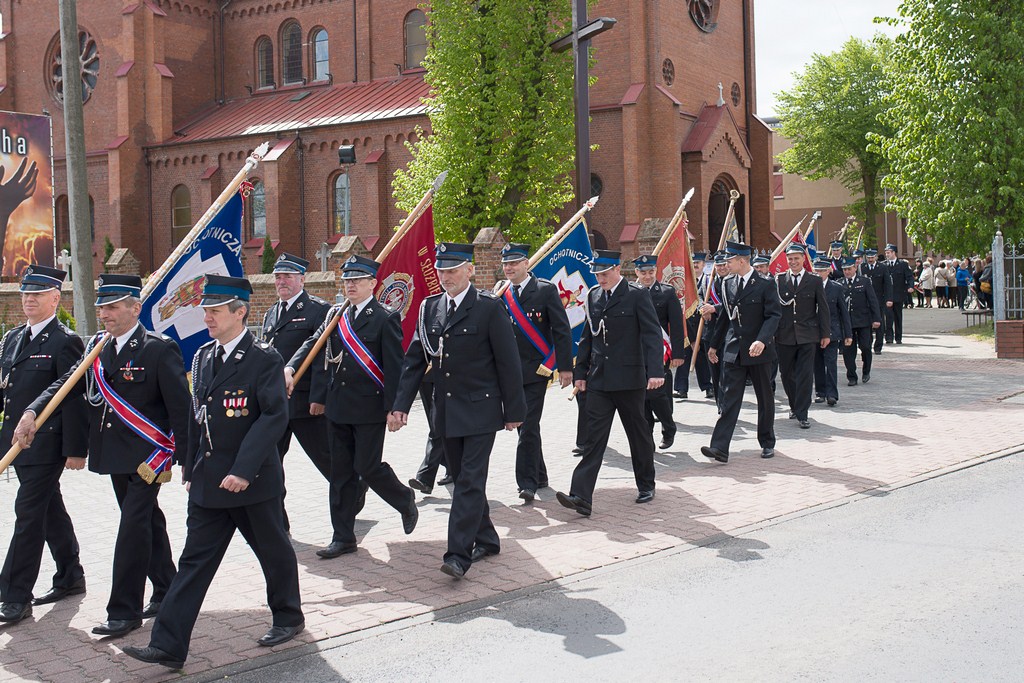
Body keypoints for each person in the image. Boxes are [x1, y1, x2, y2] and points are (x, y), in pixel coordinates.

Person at [122, 275, 303, 670]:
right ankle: (168, 645)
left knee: (274, 552)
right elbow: (195, 415)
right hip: (209, 481)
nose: (208, 317)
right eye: (206, 310)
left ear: (241, 313)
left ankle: (288, 616)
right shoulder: (203, 356)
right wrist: (190, 464)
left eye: (216, 311)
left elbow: (273, 417)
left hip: (250, 482)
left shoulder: (264, 358)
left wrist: (242, 470)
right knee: (193, 563)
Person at [15, 274, 191, 638]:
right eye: (101, 308)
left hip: (149, 458)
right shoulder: (98, 347)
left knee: (131, 528)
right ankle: (166, 587)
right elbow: (65, 385)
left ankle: (123, 611)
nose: (104, 315)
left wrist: (189, 459)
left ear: (135, 308)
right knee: (146, 523)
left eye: (111, 307)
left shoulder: (158, 348)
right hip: (114, 455)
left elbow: (181, 409)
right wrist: (33, 410)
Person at [389, 243, 525, 579]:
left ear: (470, 270)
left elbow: (508, 363)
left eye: (453, 269)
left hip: (481, 410)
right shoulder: (429, 307)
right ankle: (487, 538)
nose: (445, 276)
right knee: (467, 481)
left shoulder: (488, 308)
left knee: (468, 482)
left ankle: (458, 555)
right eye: (441, 270)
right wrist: (400, 406)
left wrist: (514, 410)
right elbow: (414, 361)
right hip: (446, 412)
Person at [285, 256, 418, 557]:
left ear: (372, 283)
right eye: (347, 280)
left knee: (368, 467)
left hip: (369, 407)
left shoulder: (385, 317)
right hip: (338, 407)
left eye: (357, 280)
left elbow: (395, 367)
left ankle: (403, 498)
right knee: (341, 473)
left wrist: (396, 408)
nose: (351, 285)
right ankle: (343, 536)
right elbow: (313, 345)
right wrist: (292, 368)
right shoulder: (336, 313)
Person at [0, 266, 88, 625]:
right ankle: (70, 574)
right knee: (49, 508)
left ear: (56, 298)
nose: (29, 300)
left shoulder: (64, 341)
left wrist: (76, 450)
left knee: (29, 514)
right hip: (16, 444)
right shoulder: (12, 338)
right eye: (25, 294)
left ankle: (14, 595)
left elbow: (74, 396)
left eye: (37, 294)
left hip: (46, 444)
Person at [555, 249, 663, 516]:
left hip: (629, 379)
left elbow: (651, 335)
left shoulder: (637, 295)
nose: (600, 279)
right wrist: (580, 372)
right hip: (600, 379)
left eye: (604, 273)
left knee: (637, 434)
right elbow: (588, 337)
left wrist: (655, 371)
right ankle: (581, 495)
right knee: (593, 438)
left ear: (617, 269)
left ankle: (646, 483)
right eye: (597, 274)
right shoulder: (593, 296)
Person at [260, 253, 335, 532]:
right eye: (278, 277)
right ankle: (278, 521)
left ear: (301, 279)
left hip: (305, 403)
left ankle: (353, 493)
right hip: (275, 403)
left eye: (288, 276)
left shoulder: (318, 310)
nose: (282, 282)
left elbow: (322, 358)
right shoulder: (270, 313)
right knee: (270, 463)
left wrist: (319, 398)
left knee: (327, 459)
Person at [496, 243, 573, 501]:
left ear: (526, 264)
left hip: (536, 371)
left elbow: (562, 330)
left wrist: (564, 369)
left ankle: (526, 483)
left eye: (514, 263)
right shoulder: (501, 293)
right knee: (526, 428)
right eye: (506, 264)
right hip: (508, 373)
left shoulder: (545, 290)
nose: (509, 268)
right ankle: (539, 474)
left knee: (527, 425)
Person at [700, 241, 781, 462]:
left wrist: (762, 341)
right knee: (729, 399)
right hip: (734, 350)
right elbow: (726, 315)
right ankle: (719, 448)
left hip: (759, 352)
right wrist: (714, 345)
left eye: (730, 260)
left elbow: (773, 315)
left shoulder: (765, 283)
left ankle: (766, 441)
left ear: (742, 260)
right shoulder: (727, 283)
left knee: (765, 398)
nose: (726, 264)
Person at [775, 244, 831, 429]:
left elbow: (823, 309)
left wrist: (825, 334)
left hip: (808, 335)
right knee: (786, 374)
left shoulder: (814, 280)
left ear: (803, 259)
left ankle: (802, 412)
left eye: (796, 258)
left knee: (805, 374)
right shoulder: (779, 280)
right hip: (784, 335)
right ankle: (793, 404)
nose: (793, 262)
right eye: (790, 259)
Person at [633, 254, 686, 449]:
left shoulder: (666, 292)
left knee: (658, 395)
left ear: (655, 271)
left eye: (651, 272)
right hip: (636, 352)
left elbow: (677, 326)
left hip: (659, 351)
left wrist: (678, 354)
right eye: (643, 272)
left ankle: (668, 427)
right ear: (636, 272)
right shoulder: (631, 292)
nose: (647, 276)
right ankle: (647, 438)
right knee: (642, 396)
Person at [674, 252, 714, 401]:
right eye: (693, 262)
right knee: (683, 356)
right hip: (686, 326)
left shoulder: (709, 281)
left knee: (702, 358)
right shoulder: (684, 283)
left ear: (704, 264)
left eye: (698, 262)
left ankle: (708, 386)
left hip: (703, 326)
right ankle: (681, 388)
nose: (695, 265)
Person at [812, 259, 852, 406]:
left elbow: (844, 313)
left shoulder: (836, 288)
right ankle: (820, 392)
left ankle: (832, 394)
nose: (819, 274)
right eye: (816, 271)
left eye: (822, 271)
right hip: (814, 332)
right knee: (817, 364)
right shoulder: (809, 286)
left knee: (831, 363)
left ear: (828, 271)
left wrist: (848, 334)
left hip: (832, 332)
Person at [841, 257, 882, 386]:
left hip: (863, 321)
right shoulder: (839, 283)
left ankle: (866, 371)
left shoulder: (864, 282)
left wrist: (876, 318)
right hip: (847, 323)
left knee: (865, 347)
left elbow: (872, 301)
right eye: (844, 269)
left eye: (849, 269)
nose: (847, 272)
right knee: (848, 351)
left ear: (855, 268)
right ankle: (852, 376)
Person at [860, 249, 892, 354]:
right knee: (867, 323)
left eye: (872, 257)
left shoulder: (882, 268)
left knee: (879, 323)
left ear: (876, 257)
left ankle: (878, 347)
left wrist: (888, 299)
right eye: (868, 258)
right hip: (865, 301)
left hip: (879, 300)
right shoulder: (862, 267)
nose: (870, 259)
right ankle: (868, 344)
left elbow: (887, 284)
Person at [883, 244, 915, 344]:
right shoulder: (883, 265)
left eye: (888, 253)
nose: (887, 255)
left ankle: (898, 337)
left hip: (898, 294)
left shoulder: (902, 264)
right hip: (887, 296)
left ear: (893, 252)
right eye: (886, 253)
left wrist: (910, 286)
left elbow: (909, 277)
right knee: (888, 317)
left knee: (898, 317)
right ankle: (889, 337)